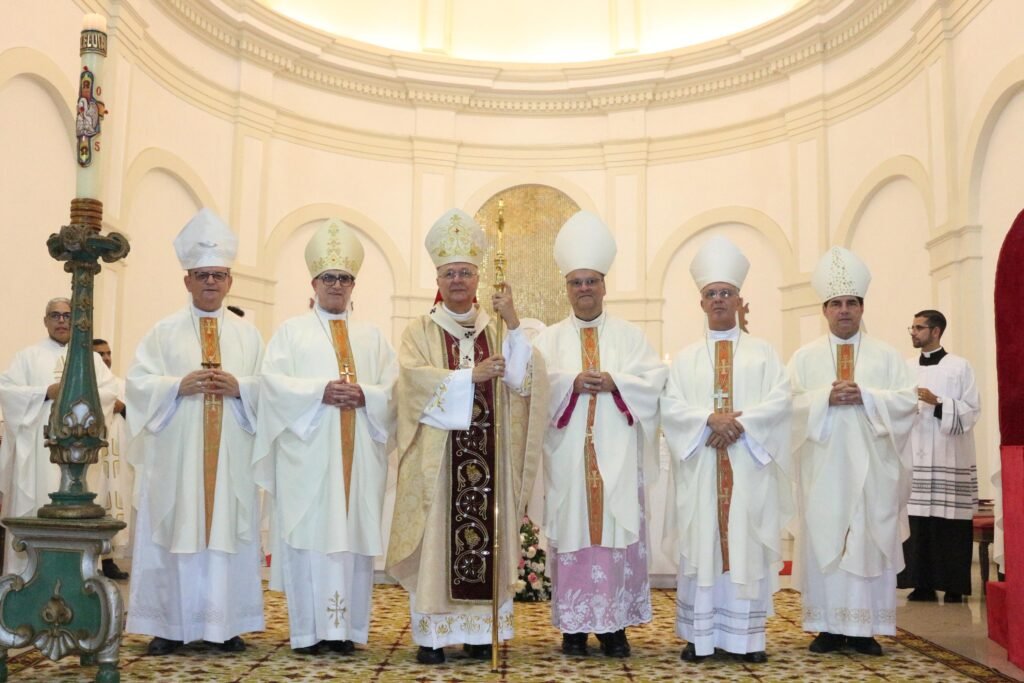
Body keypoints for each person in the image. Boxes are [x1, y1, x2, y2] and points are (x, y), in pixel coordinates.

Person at [385, 208, 548, 665]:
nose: (457, 280)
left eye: (465, 272)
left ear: (478, 278)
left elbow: (524, 382)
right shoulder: (420, 331)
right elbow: (411, 385)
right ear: (438, 279)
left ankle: (480, 633)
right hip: (439, 464)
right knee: (439, 545)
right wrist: (468, 377)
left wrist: (512, 322)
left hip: (490, 459)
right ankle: (434, 637)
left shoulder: (495, 328)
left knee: (486, 543)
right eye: (449, 273)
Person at [125, 209, 265, 656]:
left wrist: (242, 388)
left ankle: (226, 625)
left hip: (231, 460)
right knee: (176, 532)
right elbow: (137, 384)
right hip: (177, 459)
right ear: (187, 280)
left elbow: (270, 388)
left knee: (226, 534)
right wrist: (175, 386)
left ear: (229, 281)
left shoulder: (248, 335)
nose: (210, 282)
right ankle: (169, 625)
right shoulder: (162, 332)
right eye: (202, 275)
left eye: (218, 275)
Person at [255, 218, 397, 655]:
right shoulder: (291, 333)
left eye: (345, 278)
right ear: (314, 283)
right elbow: (272, 385)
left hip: (359, 463)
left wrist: (366, 395)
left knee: (352, 544)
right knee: (310, 542)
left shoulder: (373, 337)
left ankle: (347, 632)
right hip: (309, 462)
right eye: (329, 277)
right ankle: (308, 633)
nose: (337, 285)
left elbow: (395, 391)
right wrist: (320, 391)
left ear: (354, 285)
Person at [532, 211, 666, 658]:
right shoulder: (549, 340)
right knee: (573, 535)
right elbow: (534, 388)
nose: (584, 289)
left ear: (605, 286)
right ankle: (573, 628)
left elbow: (654, 382)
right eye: (576, 282)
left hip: (617, 461)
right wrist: (569, 382)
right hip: (570, 462)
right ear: (566, 288)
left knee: (614, 536)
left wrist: (616, 382)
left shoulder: (630, 337)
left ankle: (614, 627)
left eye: (591, 281)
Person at [660, 236, 792, 664]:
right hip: (701, 469)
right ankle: (699, 637)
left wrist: (740, 425)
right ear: (701, 303)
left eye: (726, 292)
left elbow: (780, 401)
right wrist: (707, 421)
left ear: (739, 300)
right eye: (711, 293)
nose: (719, 299)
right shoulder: (685, 359)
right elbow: (670, 406)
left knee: (745, 543)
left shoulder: (764, 354)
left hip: (747, 468)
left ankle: (747, 640)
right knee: (702, 544)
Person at [788, 247, 917, 656]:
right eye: (836, 304)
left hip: (872, 472)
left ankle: (864, 630)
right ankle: (827, 628)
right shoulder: (804, 358)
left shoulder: (887, 356)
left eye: (851, 303)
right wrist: (823, 399)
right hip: (823, 470)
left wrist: (868, 396)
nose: (844, 310)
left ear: (862, 307)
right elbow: (787, 407)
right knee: (826, 539)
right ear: (824, 310)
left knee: (866, 540)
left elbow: (907, 402)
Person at [0, 298, 117, 574]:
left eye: (67, 315)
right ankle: (27, 577)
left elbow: (110, 393)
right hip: (39, 454)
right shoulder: (28, 357)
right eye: (55, 315)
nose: (62, 321)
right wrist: (44, 392)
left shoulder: (91, 359)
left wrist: (78, 395)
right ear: (45, 321)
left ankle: (80, 577)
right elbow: (7, 391)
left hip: (79, 452)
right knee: (37, 503)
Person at [897, 310, 980, 603]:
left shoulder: (959, 367)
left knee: (950, 522)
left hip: (948, 453)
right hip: (915, 453)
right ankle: (921, 584)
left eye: (919, 328)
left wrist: (939, 402)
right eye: (912, 327)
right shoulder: (905, 368)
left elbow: (972, 409)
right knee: (917, 520)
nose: (913, 332)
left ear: (936, 331)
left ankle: (953, 586)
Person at [91, 338, 132, 580]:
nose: (106, 358)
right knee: (96, 501)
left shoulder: (122, 385)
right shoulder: (86, 383)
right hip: (95, 457)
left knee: (116, 503)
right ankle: (93, 560)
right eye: (100, 354)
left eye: (108, 353)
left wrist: (122, 407)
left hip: (119, 456)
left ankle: (109, 560)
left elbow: (139, 416)